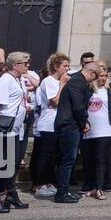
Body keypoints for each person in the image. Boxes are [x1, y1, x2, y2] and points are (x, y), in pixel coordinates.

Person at [0, 52, 34, 212]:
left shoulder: (19, 80)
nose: (28, 66)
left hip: (16, 128)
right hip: (3, 127)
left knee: (11, 164)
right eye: (25, 63)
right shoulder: (5, 80)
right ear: (15, 65)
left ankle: (10, 194)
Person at [53, 55, 96, 204]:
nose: (94, 81)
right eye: (94, 77)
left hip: (71, 124)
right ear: (91, 73)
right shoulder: (78, 82)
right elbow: (78, 106)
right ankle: (62, 192)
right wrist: (84, 122)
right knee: (68, 159)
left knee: (69, 159)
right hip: (69, 124)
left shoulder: (77, 81)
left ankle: (64, 190)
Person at [30, 53, 69, 197]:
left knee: (55, 155)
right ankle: (39, 183)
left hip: (60, 123)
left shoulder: (62, 81)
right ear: (56, 66)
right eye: (64, 66)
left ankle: (50, 181)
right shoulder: (48, 81)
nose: (67, 69)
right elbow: (55, 101)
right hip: (48, 123)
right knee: (45, 155)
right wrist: (63, 84)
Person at [81, 62, 111, 199]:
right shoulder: (88, 89)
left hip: (106, 129)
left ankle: (99, 188)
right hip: (88, 130)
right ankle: (90, 186)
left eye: (105, 76)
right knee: (89, 159)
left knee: (101, 158)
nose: (103, 78)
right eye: (101, 75)